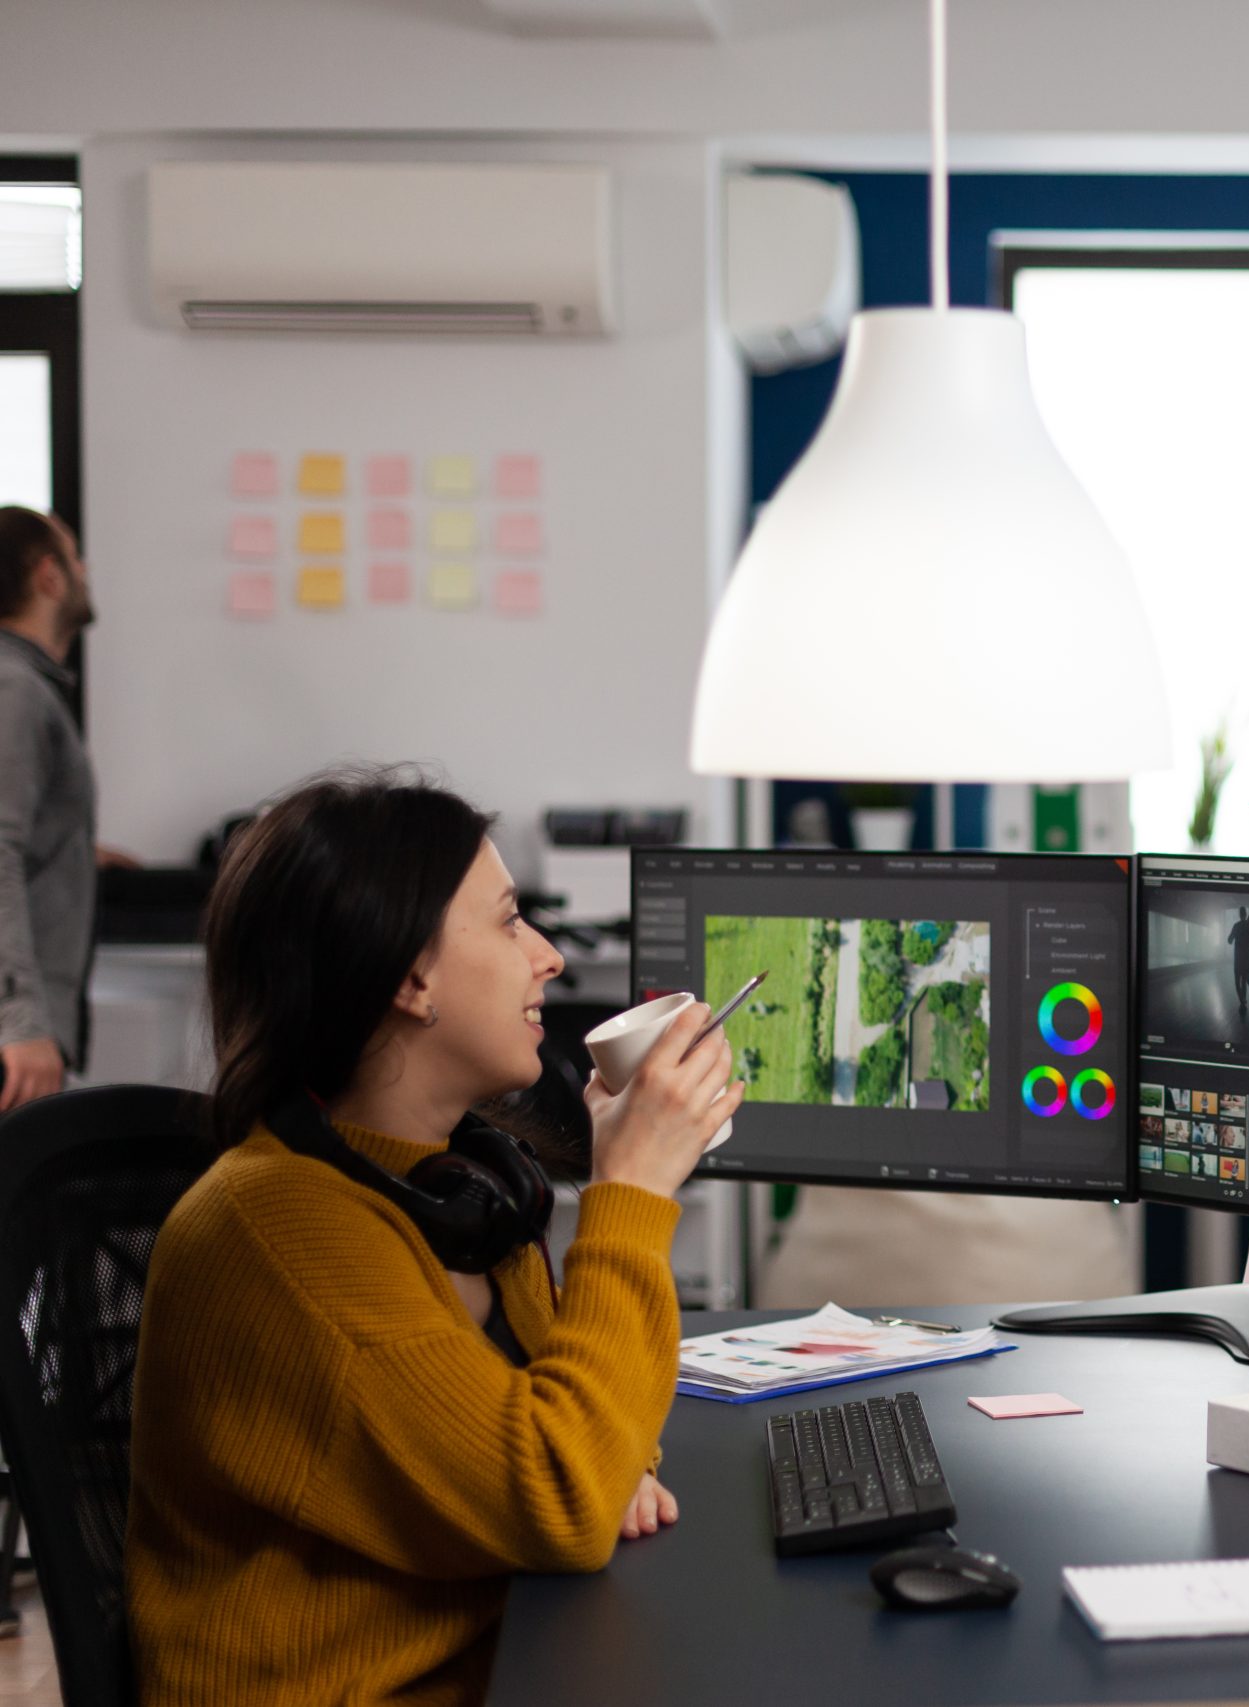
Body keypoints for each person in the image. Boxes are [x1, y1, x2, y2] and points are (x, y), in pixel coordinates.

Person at [125, 770, 746, 1706]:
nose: (546, 955)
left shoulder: (460, 1181)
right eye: (507, 921)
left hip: (511, 1658)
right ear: (413, 979)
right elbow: (565, 1491)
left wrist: (606, 1457)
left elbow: (580, 1417)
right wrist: (631, 1193)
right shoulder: (278, 1235)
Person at [0, 507, 112, 1113]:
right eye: (73, 556)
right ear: (48, 576)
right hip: (9, 1041)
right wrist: (17, 1021)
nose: (84, 570)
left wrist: (72, 845)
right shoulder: (13, 688)